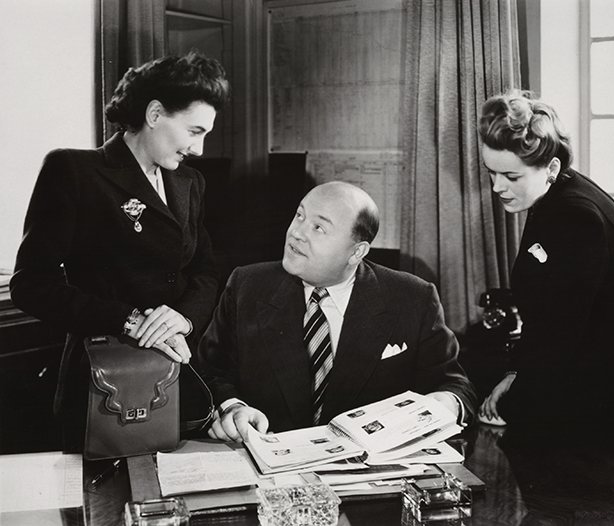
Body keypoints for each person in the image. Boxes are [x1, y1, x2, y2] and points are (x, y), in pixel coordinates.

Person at [10, 51, 230, 450]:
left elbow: (205, 271)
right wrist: (128, 320)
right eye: (194, 131)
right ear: (155, 114)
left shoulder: (190, 182)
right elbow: (31, 285)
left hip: (178, 372)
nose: (199, 148)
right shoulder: (74, 171)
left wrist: (183, 318)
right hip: (105, 380)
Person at [197, 181, 477, 442]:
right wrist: (233, 407)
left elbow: (453, 385)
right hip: (267, 458)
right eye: (299, 216)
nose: (297, 233)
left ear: (356, 252)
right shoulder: (247, 286)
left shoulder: (412, 297)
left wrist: (445, 403)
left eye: (319, 228)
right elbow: (208, 371)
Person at [477, 89, 614, 442]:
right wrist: (516, 372)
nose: (497, 187)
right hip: (579, 375)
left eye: (511, 177)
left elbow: (562, 332)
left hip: (606, 402)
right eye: (492, 173)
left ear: (551, 167)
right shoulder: (556, 194)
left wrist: (515, 389)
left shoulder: (574, 215)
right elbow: (551, 316)